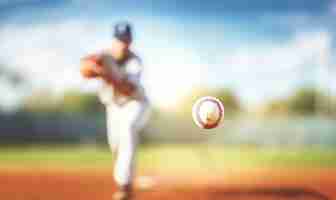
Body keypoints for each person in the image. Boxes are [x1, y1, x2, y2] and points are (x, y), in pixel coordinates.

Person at [80, 22, 149, 200]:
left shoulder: (135, 61)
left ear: (130, 41)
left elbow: (128, 89)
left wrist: (105, 74)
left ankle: (124, 187)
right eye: (119, 39)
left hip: (136, 103)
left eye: (126, 39)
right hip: (114, 108)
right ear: (114, 40)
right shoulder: (104, 56)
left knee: (128, 130)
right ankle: (128, 181)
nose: (122, 43)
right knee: (116, 146)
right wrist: (91, 68)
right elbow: (84, 68)